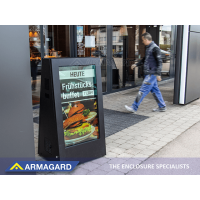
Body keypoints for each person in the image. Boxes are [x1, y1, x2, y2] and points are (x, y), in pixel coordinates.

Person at [125, 32, 166, 113]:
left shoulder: (155, 48)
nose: (142, 42)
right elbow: (144, 59)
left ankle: (134, 107)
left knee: (142, 90)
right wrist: (136, 64)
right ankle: (162, 106)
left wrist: (158, 74)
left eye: (143, 40)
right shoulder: (149, 48)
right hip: (149, 73)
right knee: (155, 91)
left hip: (152, 74)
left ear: (146, 39)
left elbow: (159, 62)